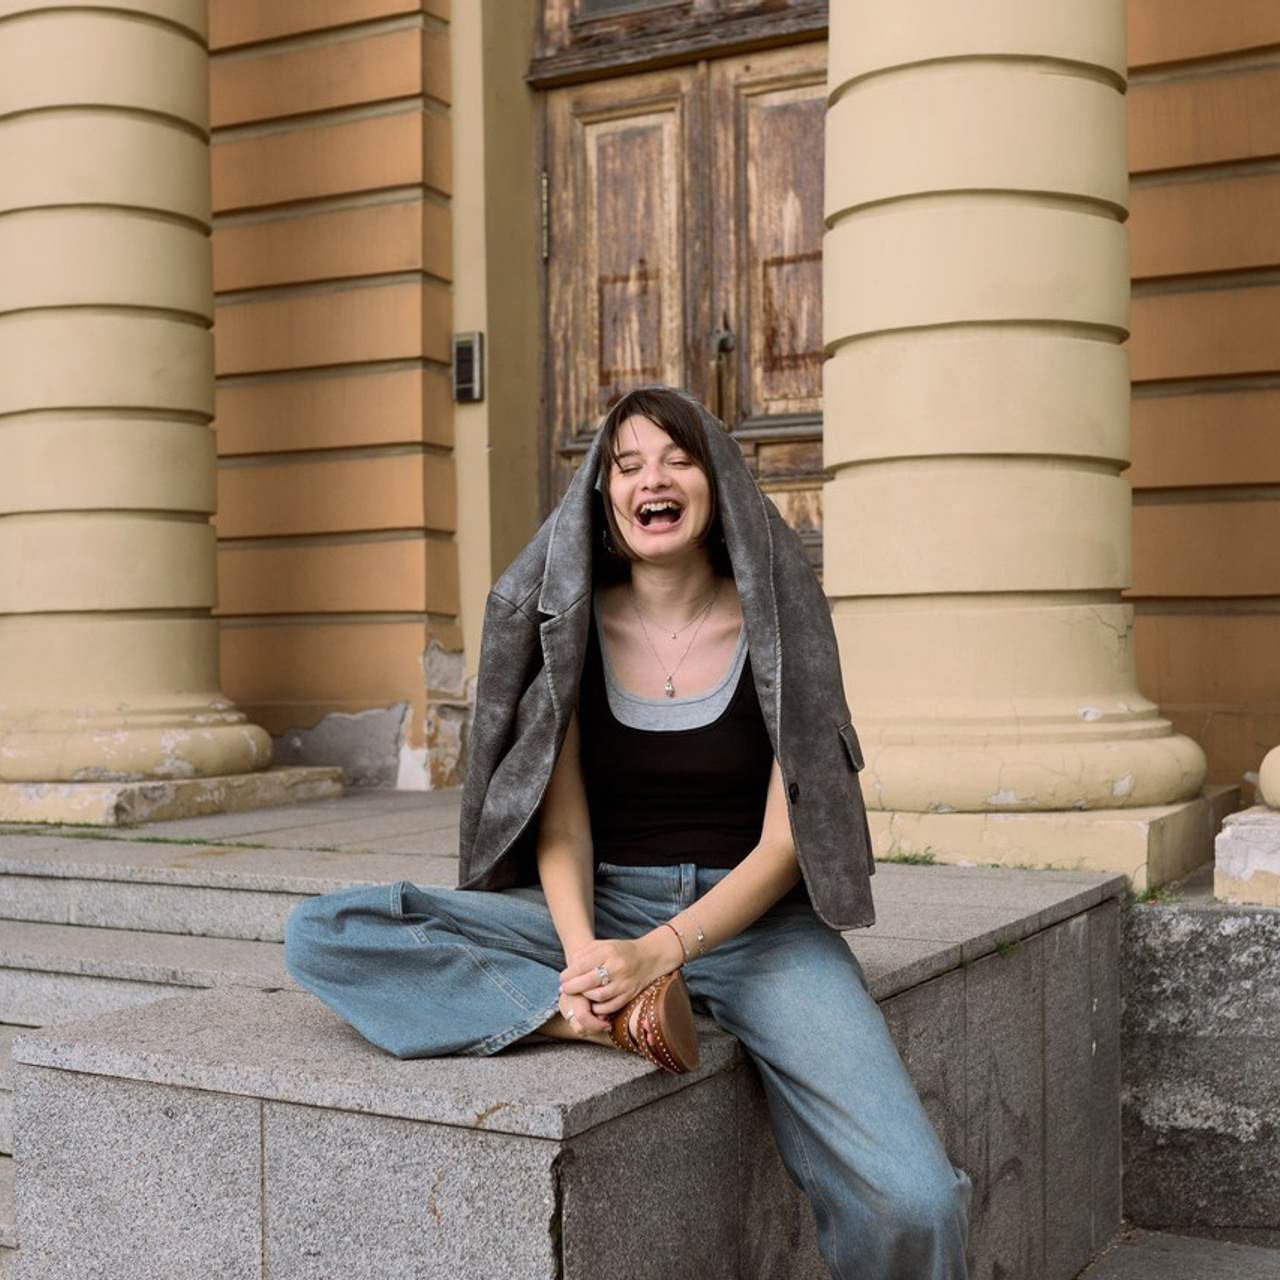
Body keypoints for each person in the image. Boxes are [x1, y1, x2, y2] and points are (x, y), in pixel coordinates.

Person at [285, 385, 971, 1278]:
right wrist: (590, 966)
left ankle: (623, 1001)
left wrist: (664, 953)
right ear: (604, 497)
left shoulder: (780, 622)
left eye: (679, 458)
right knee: (327, 932)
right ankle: (590, 1024)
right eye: (629, 462)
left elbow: (787, 840)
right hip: (604, 906)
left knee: (915, 1198)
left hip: (760, 930)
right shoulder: (571, 629)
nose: (655, 478)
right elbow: (562, 830)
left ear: (717, 482)